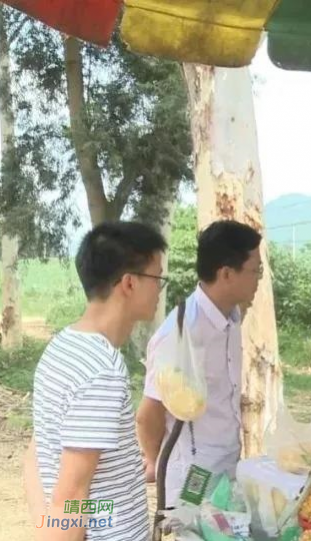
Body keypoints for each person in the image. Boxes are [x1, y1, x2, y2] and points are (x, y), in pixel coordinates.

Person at [24, 221, 168, 541]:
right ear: (129, 283)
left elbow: (37, 454)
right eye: (158, 278)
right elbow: (71, 500)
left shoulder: (62, 347)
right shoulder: (101, 371)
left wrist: (119, 485)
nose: (160, 289)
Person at [136, 220, 262, 506]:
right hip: (194, 477)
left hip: (228, 466)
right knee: (192, 528)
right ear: (226, 273)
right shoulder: (180, 334)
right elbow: (148, 414)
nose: (259, 279)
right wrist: (155, 462)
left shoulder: (233, 317)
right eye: (255, 271)